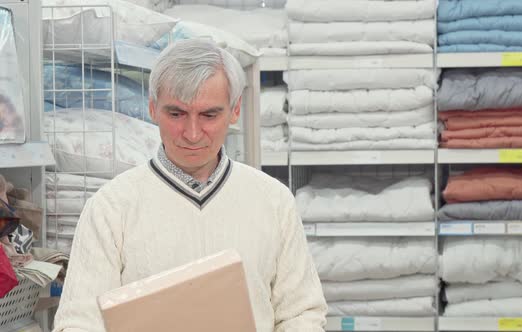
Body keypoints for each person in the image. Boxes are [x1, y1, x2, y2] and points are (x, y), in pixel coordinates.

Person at [52, 40, 327, 332]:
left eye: (209, 115)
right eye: (176, 114)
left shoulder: (273, 201)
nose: (193, 134)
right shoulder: (111, 207)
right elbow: (80, 322)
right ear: (152, 109)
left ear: (234, 111)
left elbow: (301, 313)